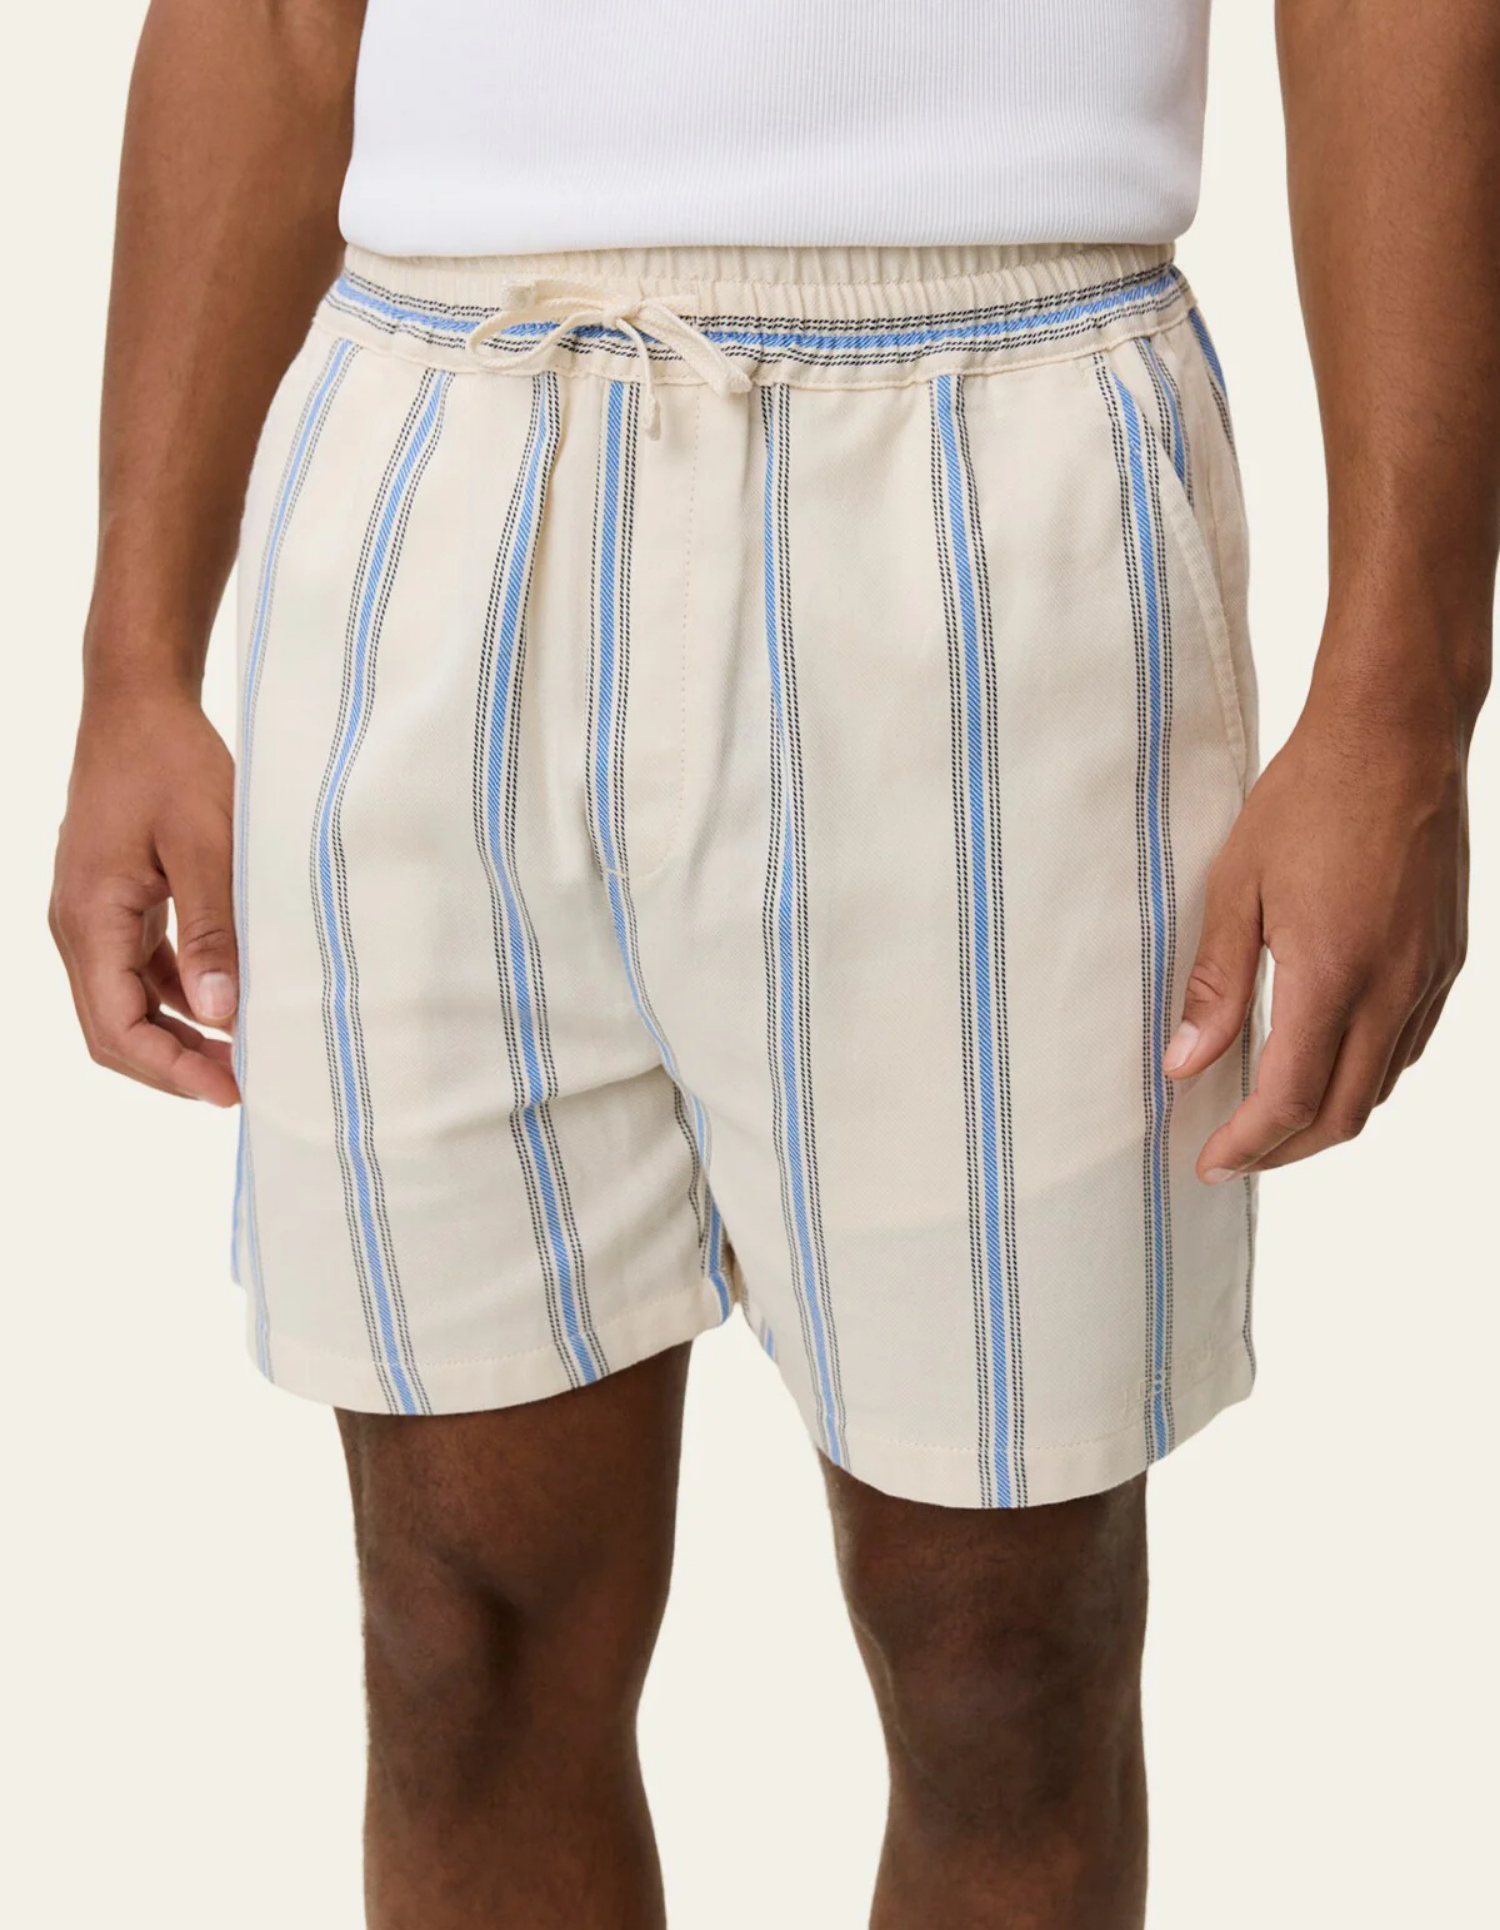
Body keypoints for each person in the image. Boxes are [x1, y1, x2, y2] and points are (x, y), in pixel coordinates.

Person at [49, 2, 1494, 1924]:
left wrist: (1405, 696)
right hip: (435, 442)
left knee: (1001, 1653)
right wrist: (133, 659)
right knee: (459, 1631)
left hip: (998, 455)